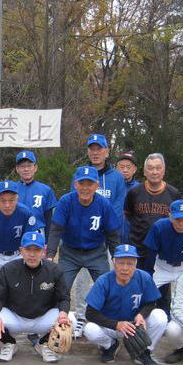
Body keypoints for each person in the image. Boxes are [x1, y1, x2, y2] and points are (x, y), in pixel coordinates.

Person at [0, 231, 75, 363]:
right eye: (28, 249)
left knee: (71, 320)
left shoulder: (54, 270)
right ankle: (9, 343)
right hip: (16, 318)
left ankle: (43, 344)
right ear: (21, 250)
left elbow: (64, 298)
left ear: (44, 251)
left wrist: (63, 314)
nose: (32, 254)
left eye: (37, 250)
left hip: (43, 318)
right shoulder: (8, 269)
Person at [69, 134, 127, 338]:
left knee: (107, 280)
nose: (95, 152)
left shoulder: (116, 177)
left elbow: (118, 208)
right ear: (88, 152)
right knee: (83, 282)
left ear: (107, 152)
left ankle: (106, 318)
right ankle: (81, 318)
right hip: (85, 239)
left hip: (106, 239)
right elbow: (74, 203)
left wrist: (105, 231)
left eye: (99, 148)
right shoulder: (79, 175)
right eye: (92, 149)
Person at [83, 244, 168, 365]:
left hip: (134, 327)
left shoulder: (144, 277)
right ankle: (110, 345)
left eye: (129, 263)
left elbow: (151, 303)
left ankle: (144, 351)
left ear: (135, 264)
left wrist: (141, 315)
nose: (125, 268)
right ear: (114, 262)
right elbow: (90, 313)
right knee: (90, 329)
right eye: (121, 263)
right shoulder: (104, 281)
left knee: (160, 316)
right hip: (111, 326)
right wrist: (116, 325)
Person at [46, 166, 120, 307]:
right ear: (75, 184)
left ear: (97, 185)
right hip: (70, 253)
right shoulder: (66, 201)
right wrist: (50, 255)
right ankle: (59, 319)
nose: (85, 188)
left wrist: (116, 256)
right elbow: (56, 230)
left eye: (90, 184)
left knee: (107, 288)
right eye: (81, 183)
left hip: (96, 252)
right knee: (60, 290)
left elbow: (112, 234)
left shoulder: (104, 204)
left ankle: (106, 318)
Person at [143, 199, 183, 314]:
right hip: (161, 267)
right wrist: (149, 274)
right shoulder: (159, 227)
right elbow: (150, 253)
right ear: (170, 216)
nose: (181, 223)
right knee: (145, 292)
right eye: (177, 219)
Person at [0, 180, 43, 281]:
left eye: (11, 200)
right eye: (3, 200)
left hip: (17, 255)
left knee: (28, 282)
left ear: (17, 199)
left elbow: (29, 240)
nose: (7, 205)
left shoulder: (25, 212)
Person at [124, 153, 181, 272]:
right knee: (138, 282)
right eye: (150, 168)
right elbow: (128, 215)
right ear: (144, 172)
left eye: (158, 168)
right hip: (138, 251)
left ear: (163, 170)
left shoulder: (174, 194)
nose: (154, 172)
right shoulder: (134, 192)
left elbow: (178, 221)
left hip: (163, 252)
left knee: (161, 284)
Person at [15, 150, 58, 236]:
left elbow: (49, 220)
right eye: (22, 166)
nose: (26, 169)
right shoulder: (11, 190)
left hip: (37, 234)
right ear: (17, 169)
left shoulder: (45, 190)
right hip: (16, 233)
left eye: (29, 166)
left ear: (35, 168)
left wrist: (48, 241)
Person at [116, 151, 140, 244]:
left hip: (133, 239)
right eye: (122, 167)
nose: (125, 170)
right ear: (116, 168)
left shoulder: (140, 189)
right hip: (112, 238)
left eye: (128, 167)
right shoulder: (111, 187)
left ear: (134, 169)